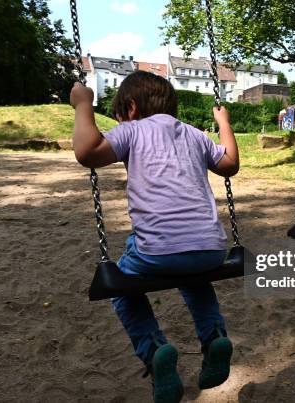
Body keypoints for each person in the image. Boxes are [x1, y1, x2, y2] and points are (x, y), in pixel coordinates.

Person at [70, 70, 239, 403]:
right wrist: (223, 123)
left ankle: (154, 349)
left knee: (121, 286)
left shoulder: (131, 131)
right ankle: (214, 335)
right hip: (210, 250)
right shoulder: (194, 135)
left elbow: (87, 151)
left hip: (157, 253)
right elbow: (230, 164)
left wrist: (83, 105)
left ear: (130, 108)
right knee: (194, 277)